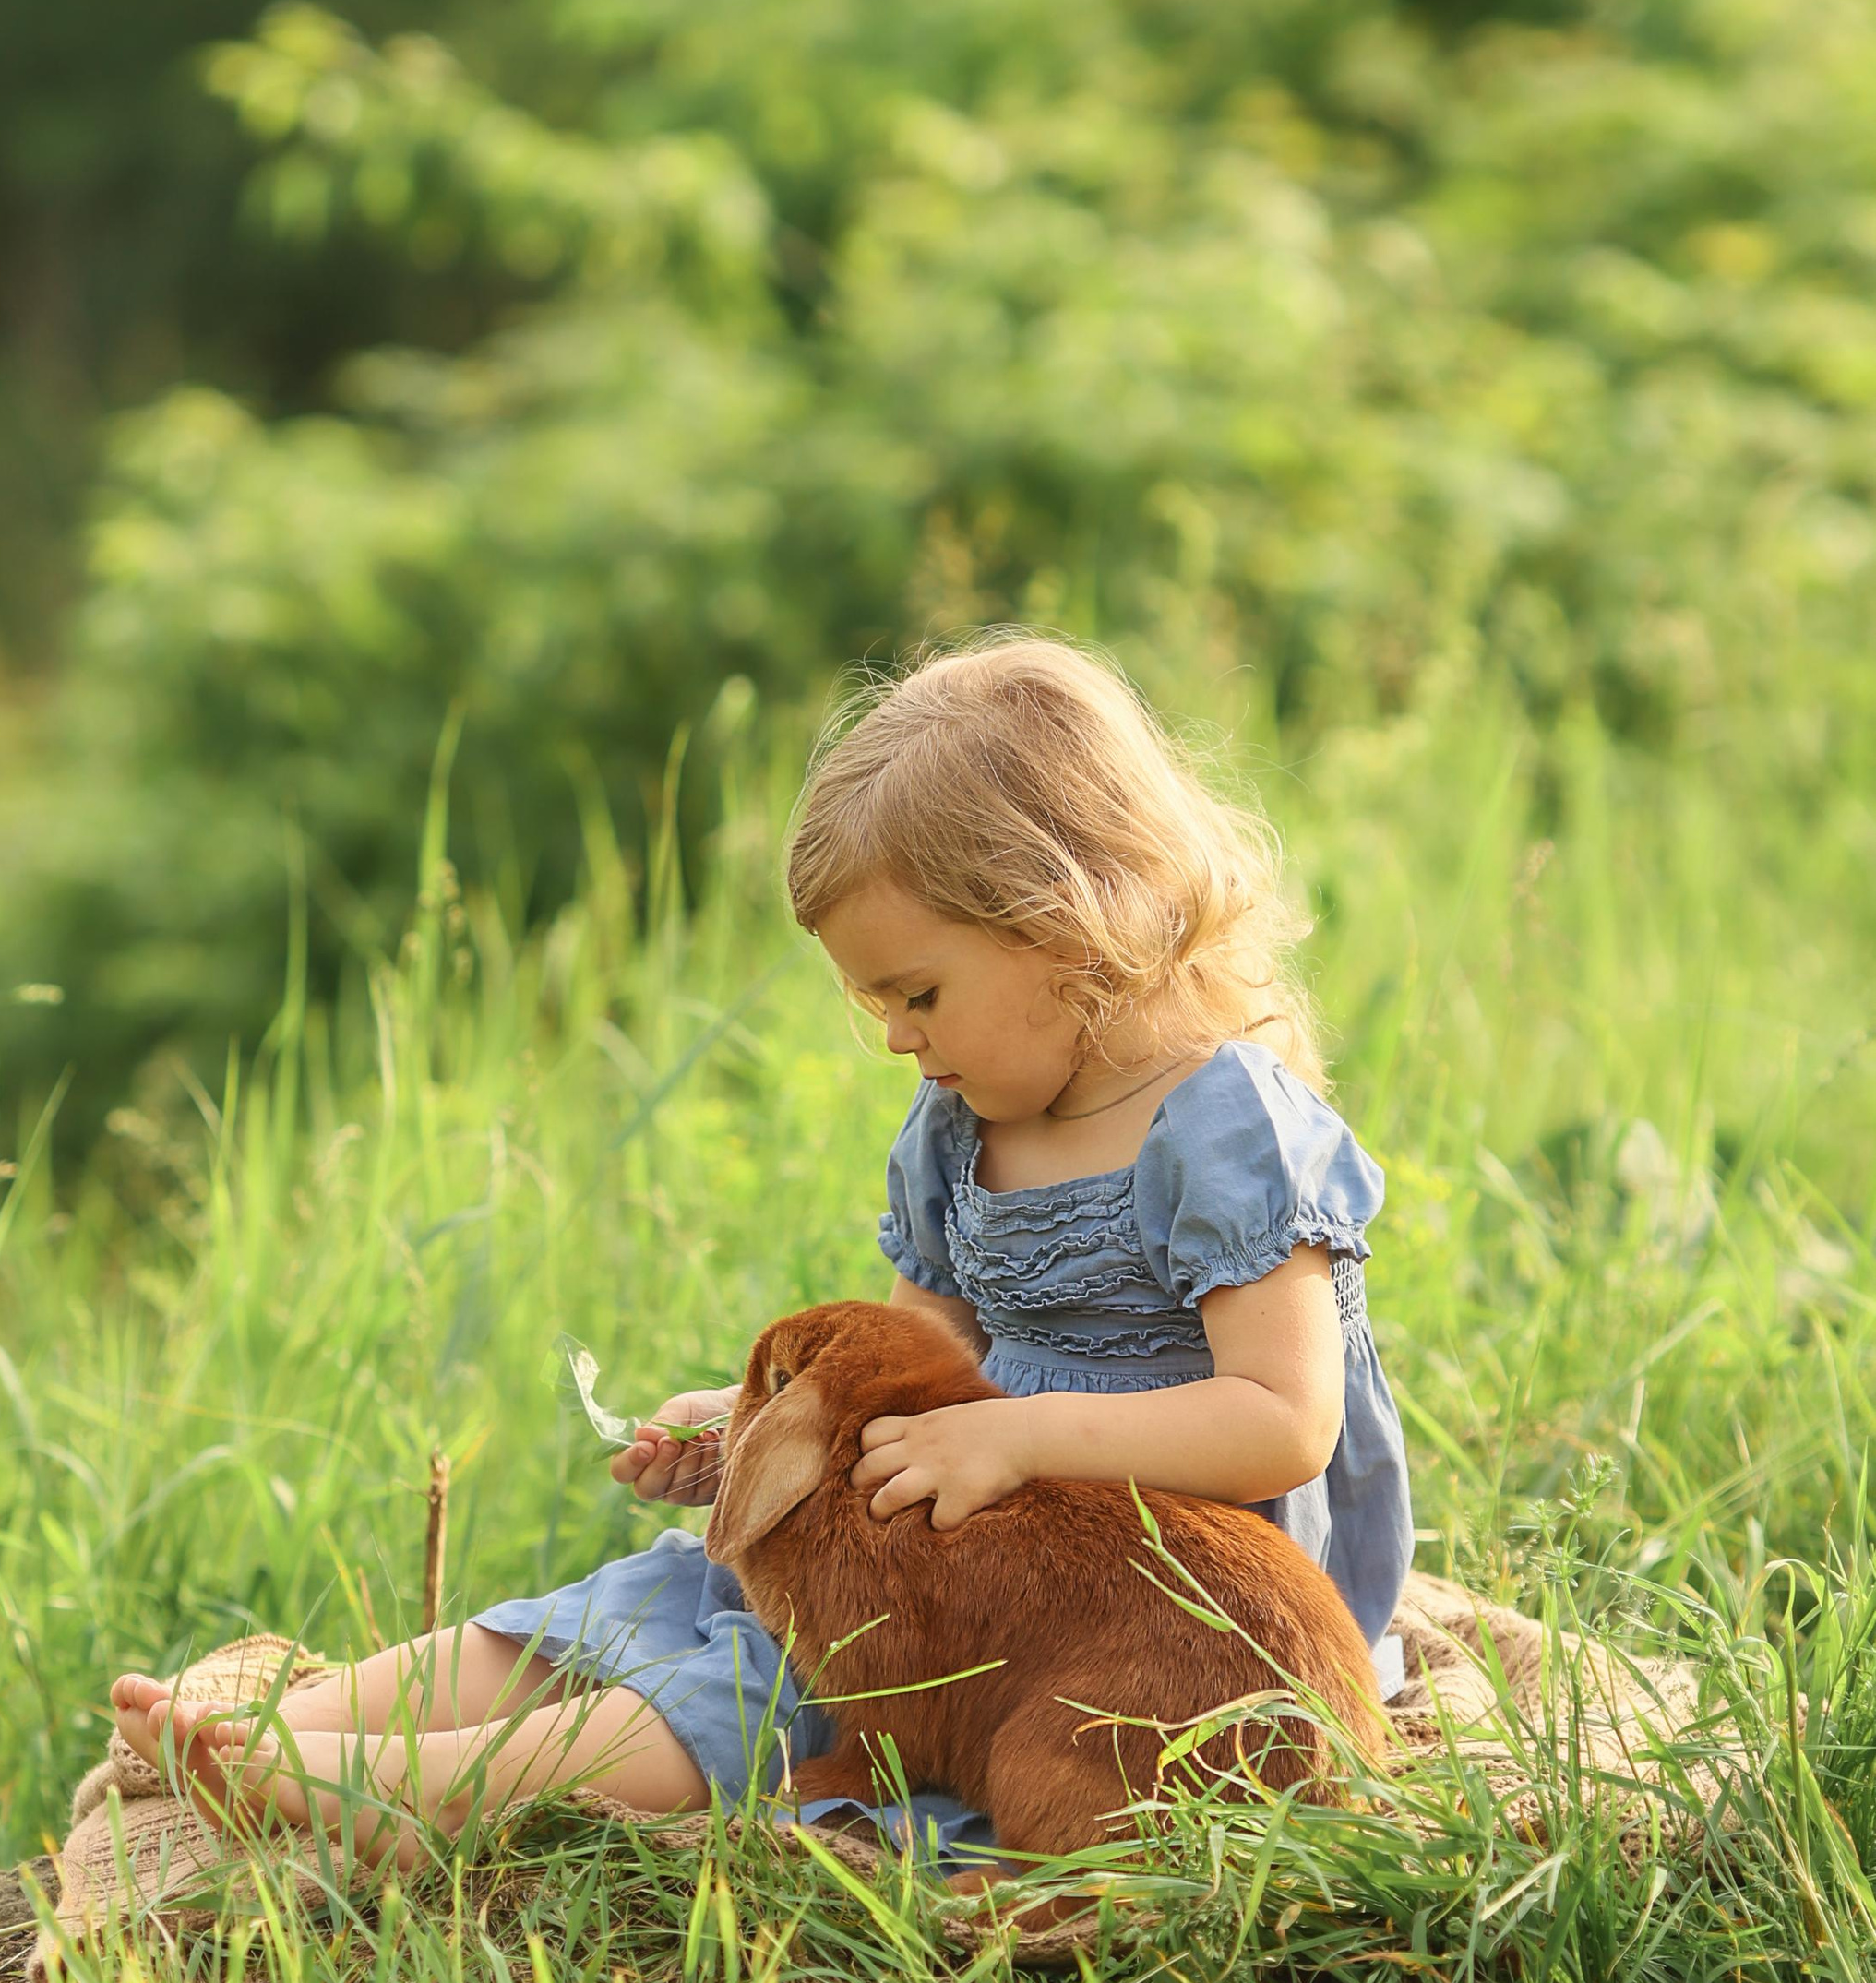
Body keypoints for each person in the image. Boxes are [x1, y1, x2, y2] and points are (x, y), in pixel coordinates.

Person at [110, 634, 1413, 1889]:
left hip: (1146, 1596)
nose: (901, 1039)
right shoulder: (960, 1120)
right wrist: (765, 1435)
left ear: (1069, 932)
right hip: (961, 1527)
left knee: (778, 1677)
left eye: (919, 994)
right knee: (675, 1586)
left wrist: (1016, 1445)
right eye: (875, 1008)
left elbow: (1281, 1423)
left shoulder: (1224, 1124)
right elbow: (919, 1375)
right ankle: (292, 1724)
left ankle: (435, 1790)